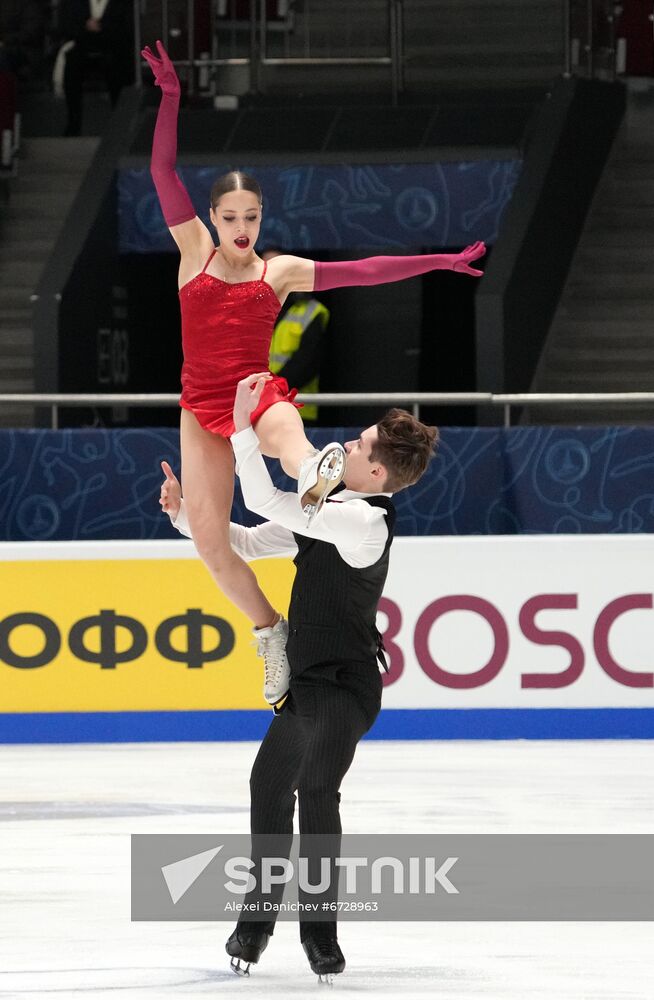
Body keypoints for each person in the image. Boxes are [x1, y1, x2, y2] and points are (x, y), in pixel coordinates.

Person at [142, 38, 482, 707]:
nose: (242, 226)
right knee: (211, 547)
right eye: (231, 217)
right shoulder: (192, 255)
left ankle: (317, 467)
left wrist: (435, 261)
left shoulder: (281, 272)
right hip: (198, 403)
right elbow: (162, 172)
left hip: (254, 390)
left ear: (262, 218)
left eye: (253, 216)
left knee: (290, 440)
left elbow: (363, 273)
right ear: (213, 219)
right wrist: (173, 100)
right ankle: (272, 634)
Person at [160, 371, 439, 983]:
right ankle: (256, 926)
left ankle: (321, 938)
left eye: (362, 447)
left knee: (315, 789)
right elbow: (252, 539)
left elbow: (265, 499)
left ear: (377, 475)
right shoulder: (330, 510)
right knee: (268, 784)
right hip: (308, 685)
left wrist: (238, 428)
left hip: (345, 685)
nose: (349, 448)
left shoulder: (364, 523)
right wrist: (187, 517)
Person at [262, 246, 329, 424]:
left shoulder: (311, 311)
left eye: (277, 266)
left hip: (297, 410)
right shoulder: (245, 308)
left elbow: (307, 362)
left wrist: (270, 390)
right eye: (265, 267)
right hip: (251, 408)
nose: (271, 272)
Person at [59, 0, 132, 136]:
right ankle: (73, 125)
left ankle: (119, 127)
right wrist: (85, 26)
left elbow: (127, 28)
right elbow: (66, 25)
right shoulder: (74, 3)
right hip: (83, 46)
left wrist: (102, 27)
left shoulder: (123, 3)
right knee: (72, 66)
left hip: (113, 49)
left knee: (118, 68)